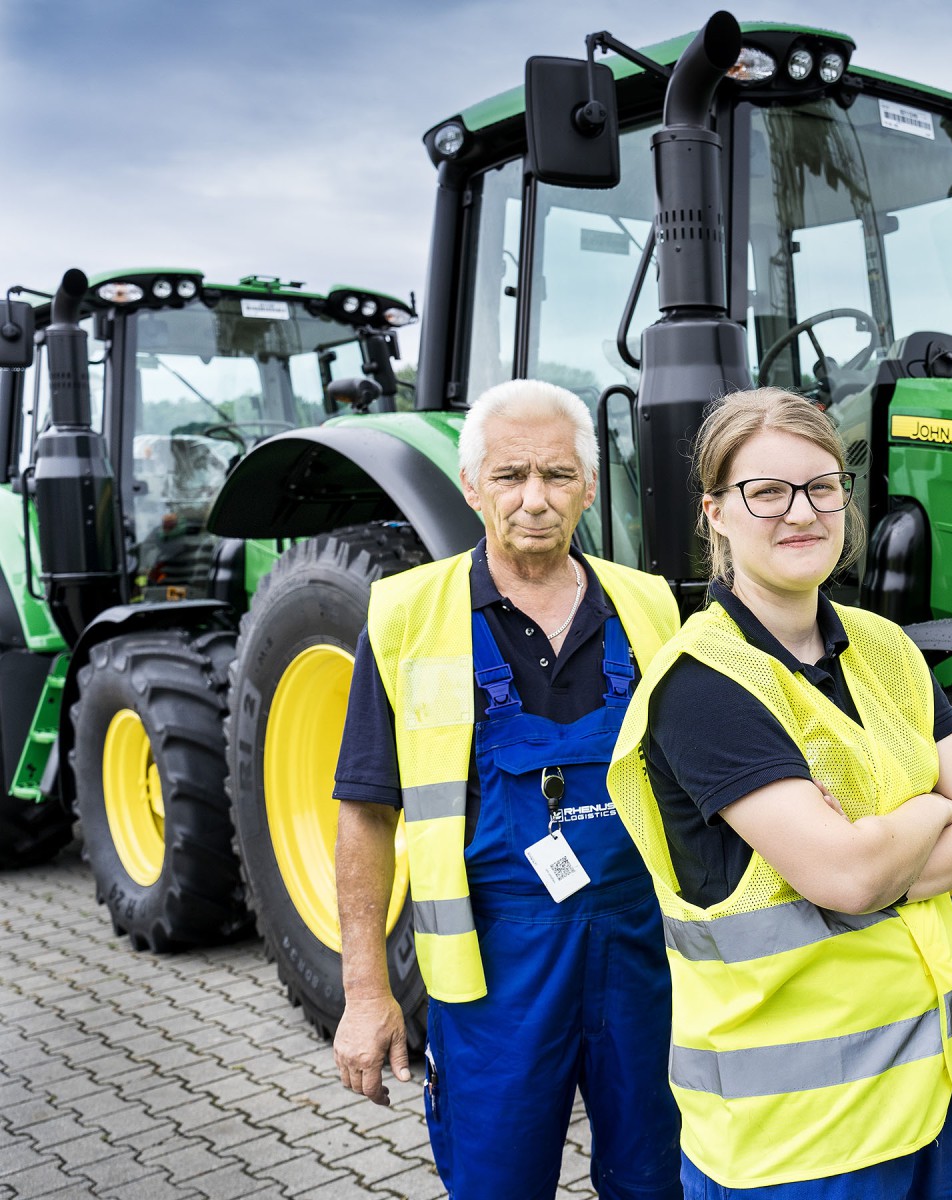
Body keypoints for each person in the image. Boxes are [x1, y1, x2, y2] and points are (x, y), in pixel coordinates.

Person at [606, 386, 952, 1199]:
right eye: (767, 492)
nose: (803, 512)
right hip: (797, 1147)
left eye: (824, 487)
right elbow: (847, 878)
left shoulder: (885, 647)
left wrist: (879, 846)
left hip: (930, 1101)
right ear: (716, 512)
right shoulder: (703, 686)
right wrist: (933, 810)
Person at [330, 379, 682, 1200]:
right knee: (498, 1185)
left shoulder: (651, 607)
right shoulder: (406, 616)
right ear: (471, 487)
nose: (535, 500)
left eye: (558, 476)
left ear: (589, 488)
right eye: (511, 476)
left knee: (659, 1181)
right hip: (492, 976)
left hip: (645, 962)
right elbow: (366, 815)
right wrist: (365, 990)